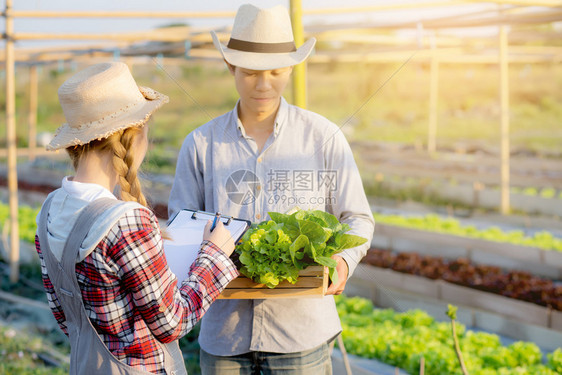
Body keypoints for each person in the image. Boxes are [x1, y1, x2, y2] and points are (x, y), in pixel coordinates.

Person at [168, 4, 375, 375]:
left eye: (276, 72)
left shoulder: (322, 136)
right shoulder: (201, 144)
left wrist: (343, 261)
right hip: (224, 338)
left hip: (301, 336)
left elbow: (356, 218)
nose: (263, 85)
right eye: (249, 73)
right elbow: (180, 226)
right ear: (231, 67)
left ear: (292, 69)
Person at [35, 62, 239, 375]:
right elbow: (173, 322)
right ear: (134, 137)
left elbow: (64, 316)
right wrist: (214, 254)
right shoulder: (126, 221)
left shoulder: (49, 210)